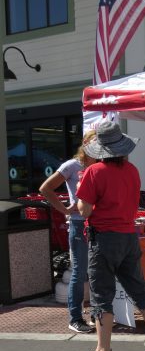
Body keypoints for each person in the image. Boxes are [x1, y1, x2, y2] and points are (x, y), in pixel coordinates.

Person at [72, 122, 145, 351]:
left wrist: (81, 201)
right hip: (128, 236)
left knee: (102, 296)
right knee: (138, 288)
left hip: (103, 238)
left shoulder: (94, 172)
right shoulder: (133, 170)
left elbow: (84, 209)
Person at [39, 131, 97, 334]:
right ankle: (75, 317)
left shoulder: (100, 165)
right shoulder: (72, 165)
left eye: (99, 141)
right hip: (79, 224)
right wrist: (64, 209)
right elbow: (45, 188)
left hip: (97, 224)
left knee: (95, 271)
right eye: (92, 140)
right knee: (79, 272)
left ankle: (95, 315)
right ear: (84, 143)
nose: (96, 144)